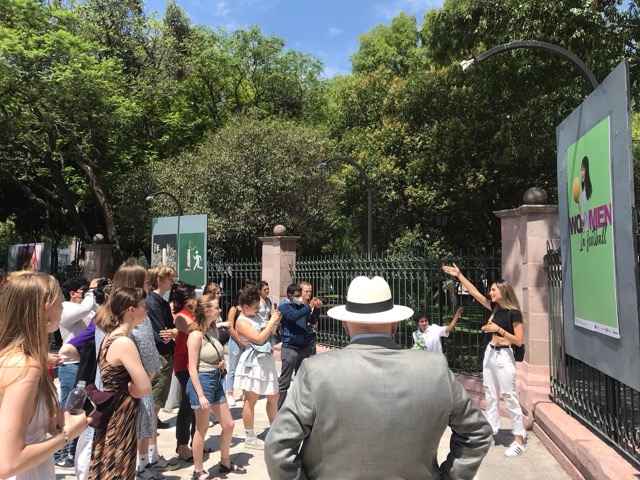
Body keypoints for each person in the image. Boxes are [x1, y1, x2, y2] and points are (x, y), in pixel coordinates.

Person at [265, 275, 492, 479]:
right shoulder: (436, 369)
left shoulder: (316, 371)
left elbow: (278, 448)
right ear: (394, 325)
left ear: (344, 325)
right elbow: (477, 433)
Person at [0, 272, 90, 479]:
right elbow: (8, 462)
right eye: (60, 302)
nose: (63, 308)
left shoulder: (14, 358)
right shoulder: (25, 367)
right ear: (46, 307)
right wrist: (67, 434)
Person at [442, 263, 526, 457]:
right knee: (490, 395)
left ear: (503, 291)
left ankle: (519, 438)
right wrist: (459, 275)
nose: (490, 292)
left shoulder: (513, 313)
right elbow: (474, 292)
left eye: (494, 290)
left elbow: (519, 341)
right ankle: (492, 432)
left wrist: (498, 329)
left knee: (509, 396)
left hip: (504, 356)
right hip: (490, 353)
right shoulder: (495, 308)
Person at [89, 287, 153, 478]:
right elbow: (145, 387)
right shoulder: (124, 342)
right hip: (120, 414)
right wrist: (139, 388)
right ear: (131, 310)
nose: (146, 310)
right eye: (143, 305)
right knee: (117, 467)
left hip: (115, 410)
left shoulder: (110, 336)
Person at [187, 294, 246, 480]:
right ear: (207, 311)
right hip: (202, 382)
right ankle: (198, 470)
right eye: (216, 307)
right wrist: (201, 395)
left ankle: (225, 462)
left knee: (228, 424)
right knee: (202, 428)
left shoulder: (213, 329)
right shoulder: (195, 335)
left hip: (216, 378)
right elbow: (192, 368)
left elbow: (214, 353)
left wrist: (220, 364)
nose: (220, 309)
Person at [54, 276, 98, 468]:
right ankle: (59, 454)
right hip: (70, 364)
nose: (88, 294)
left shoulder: (86, 308)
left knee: (80, 409)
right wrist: (92, 291)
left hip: (84, 363)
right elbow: (85, 309)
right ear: (72, 293)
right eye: (83, 291)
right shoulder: (67, 308)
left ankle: (71, 450)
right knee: (67, 409)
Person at [234, 284, 281, 449]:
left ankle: (274, 430)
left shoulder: (257, 316)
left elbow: (269, 333)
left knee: (273, 397)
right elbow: (259, 339)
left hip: (266, 360)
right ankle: (249, 436)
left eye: (257, 306)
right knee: (251, 399)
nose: (257, 309)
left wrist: (275, 322)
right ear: (245, 306)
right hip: (253, 362)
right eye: (254, 307)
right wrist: (271, 322)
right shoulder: (241, 321)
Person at [146, 264, 180, 469]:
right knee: (154, 408)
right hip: (160, 357)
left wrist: (173, 332)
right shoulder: (153, 303)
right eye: (170, 278)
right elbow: (163, 335)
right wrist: (172, 333)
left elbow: (171, 330)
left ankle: (151, 454)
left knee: (154, 407)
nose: (172, 282)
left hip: (164, 356)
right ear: (160, 280)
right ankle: (152, 456)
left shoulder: (162, 303)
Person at [277, 283, 321, 409]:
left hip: (303, 348)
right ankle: (278, 410)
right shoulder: (284, 307)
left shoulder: (302, 307)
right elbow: (293, 317)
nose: (299, 298)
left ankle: (299, 408)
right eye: (297, 296)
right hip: (290, 348)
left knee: (302, 381)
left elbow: (312, 321)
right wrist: (309, 307)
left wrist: (317, 309)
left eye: (299, 295)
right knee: (284, 383)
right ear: (290, 296)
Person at [171, 281, 198, 462]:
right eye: (193, 297)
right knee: (187, 405)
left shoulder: (193, 314)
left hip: (196, 363)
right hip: (184, 364)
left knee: (197, 405)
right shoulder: (180, 316)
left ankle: (197, 441)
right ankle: (182, 444)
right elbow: (195, 330)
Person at [224, 290, 245, 406]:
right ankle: (230, 393)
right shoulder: (234, 309)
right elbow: (230, 327)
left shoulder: (246, 309)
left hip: (245, 341)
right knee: (233, 367)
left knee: (245, 367)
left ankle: (244, 392)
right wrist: (239, 340)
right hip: (235, 341)